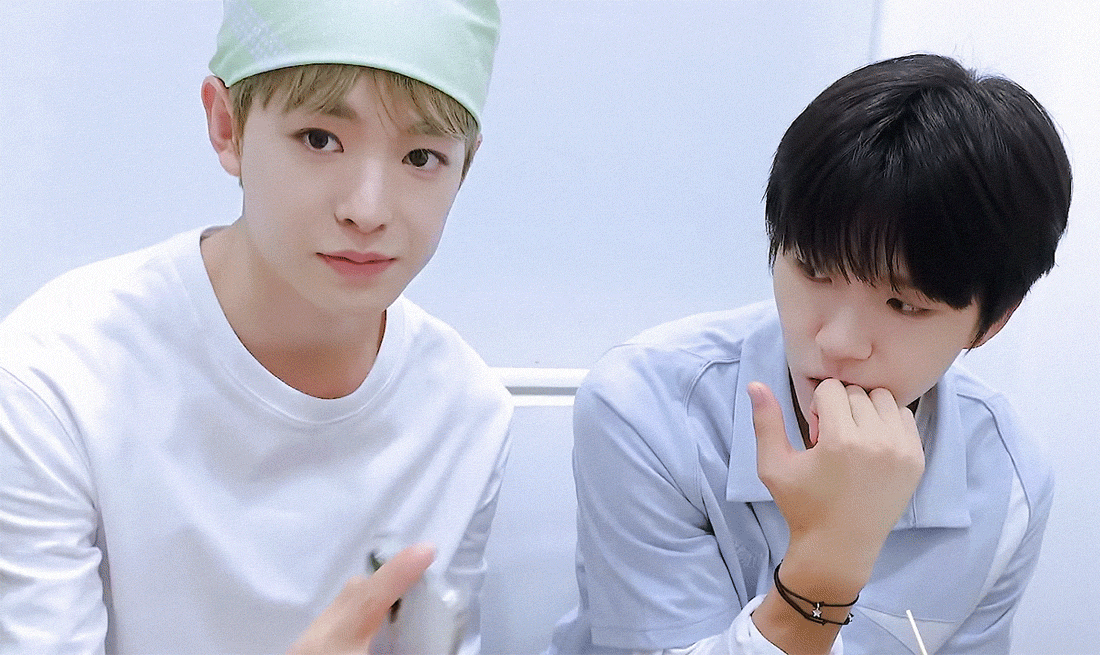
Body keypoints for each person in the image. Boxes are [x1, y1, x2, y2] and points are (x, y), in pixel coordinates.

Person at [0, 1, 511, 654]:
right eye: (320, 139)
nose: (367, 209)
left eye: (421, 155)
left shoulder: (465, 411)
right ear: (227, 126)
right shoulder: (54, 381)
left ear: (465, 166)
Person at [550, 54, 1071, 655]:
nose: (837, 342)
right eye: (814, 271)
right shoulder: (647, 407)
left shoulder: (1008, 480)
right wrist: (826, 568)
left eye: (903, 305)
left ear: (991, 323)